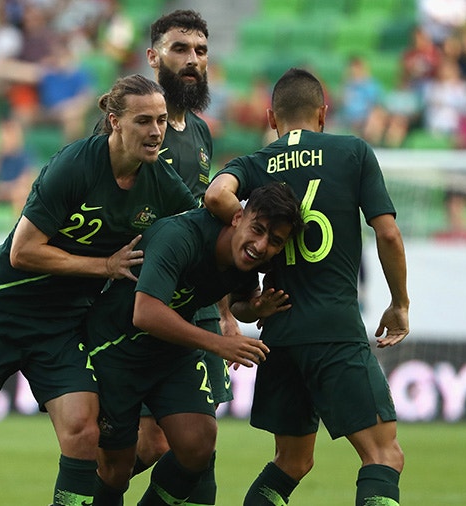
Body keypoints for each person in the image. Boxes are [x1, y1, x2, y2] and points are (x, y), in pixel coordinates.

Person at [0, 73, 197, 506]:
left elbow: (201, 232)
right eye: (144, 120)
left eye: (161, 120)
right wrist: (104, 265)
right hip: (0, 311)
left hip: (62, 325)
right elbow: (23, 252)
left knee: (84, 432)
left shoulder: (160, 183)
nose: (157, 131)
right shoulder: (76, 165)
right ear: (113, 122)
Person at [205, 68, 410, 506]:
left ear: (272, 118)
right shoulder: (353, 152)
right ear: (323, 113)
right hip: (334, 329)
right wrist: (399, 303)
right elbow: (388, 234)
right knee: (383, 455)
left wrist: (245, 225)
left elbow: (216, 195)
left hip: (278, 334)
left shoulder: (256, 162)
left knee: (291, 461)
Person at [89, 183, 304, 505]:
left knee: (198, 443)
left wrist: (254, 309)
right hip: (117, 349)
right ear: (237, 217)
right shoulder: (178, 236)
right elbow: (145, 312)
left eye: (274, 241)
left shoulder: (245, 260)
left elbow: (240, 302)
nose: (260, 246)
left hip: (170, 351)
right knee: (116, 470)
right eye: (257, 230)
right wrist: (219, 343)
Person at [131, 11, 236, 504]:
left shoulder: (200, 133)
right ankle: (82, 492)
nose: (193, 60)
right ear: (154, 57)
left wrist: (226, 312)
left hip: (195, 305)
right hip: (140, 303)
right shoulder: (131, 125)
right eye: (180, 49)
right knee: (147, 445)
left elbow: (206, 234)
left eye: (200, 51)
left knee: (198, 445)